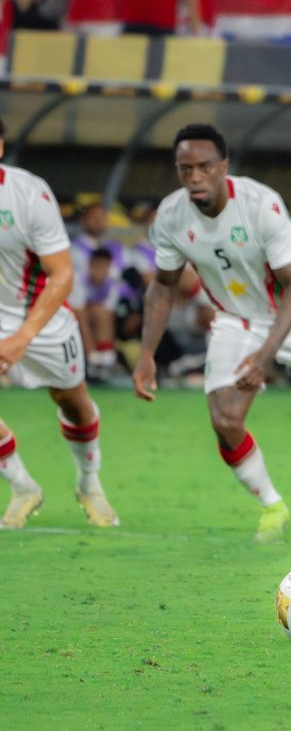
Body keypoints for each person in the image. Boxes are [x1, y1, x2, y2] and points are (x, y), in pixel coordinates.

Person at [131, 124, 291, 542]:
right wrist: (146, 354)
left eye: (204, 166)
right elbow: (162, 285)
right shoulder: (172, 216)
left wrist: (265, 358)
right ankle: (272, 506)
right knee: (226, 420)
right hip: (236, 319)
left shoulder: (260, 204)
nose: (195, 176)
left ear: (223, 167)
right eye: (185, 168)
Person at [0, 114, 118, 530]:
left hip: (42, 317)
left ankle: (89, 483)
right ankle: (22, 486)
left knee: (74, 403)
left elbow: (63, 274)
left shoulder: (29, 194)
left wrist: (22, 336)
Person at [69, 203, 122, 380]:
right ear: (85, 220)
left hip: (113, 307)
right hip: (81, 308)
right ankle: (94, 359)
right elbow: (77, 299)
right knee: (90, 311)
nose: (99, 221)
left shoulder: (116, 248)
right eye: (94, 217)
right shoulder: (74, 248)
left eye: (102, 217)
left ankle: (106, 361)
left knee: (102, 311)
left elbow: (121, 280)